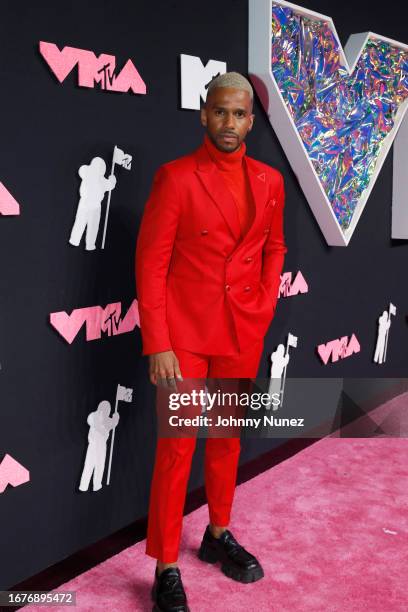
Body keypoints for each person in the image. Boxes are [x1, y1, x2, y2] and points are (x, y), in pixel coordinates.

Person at [135, 71, 287, 611]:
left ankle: (218, 533)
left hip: (241, 331)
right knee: (177, 449)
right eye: (220, 112)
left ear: (251, 120)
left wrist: (264, 305)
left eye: (240, 114)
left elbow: (276, 248)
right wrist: (159, 342)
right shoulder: (176, 178)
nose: (230, 122)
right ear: (204, 114)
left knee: (226, 441)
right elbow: (151, 264)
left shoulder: (270, 181)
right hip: (185, 337)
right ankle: (166, 566)